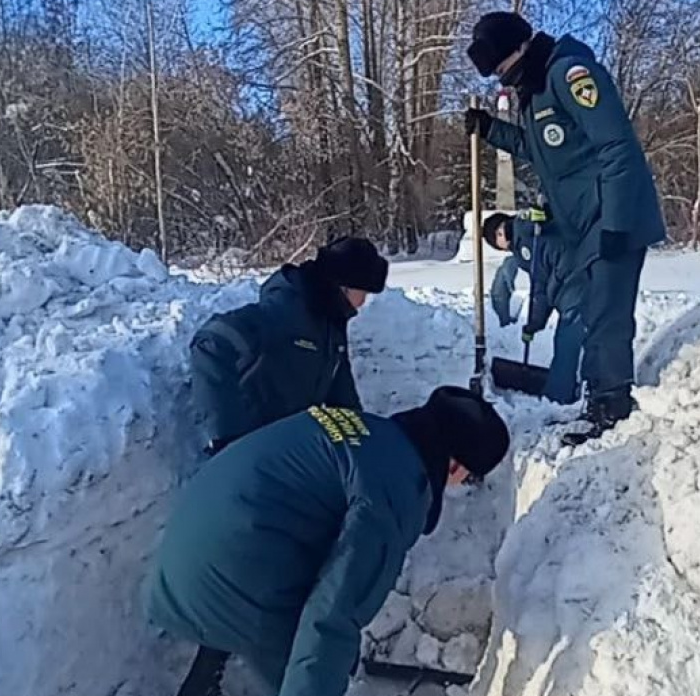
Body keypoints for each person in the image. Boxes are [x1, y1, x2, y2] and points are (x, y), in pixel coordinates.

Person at [146, 386, 511, 696]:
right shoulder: (396, 490)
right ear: (455, 466)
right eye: (467, 479)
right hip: (228, 583)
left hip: (179, 562)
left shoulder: (369, 432)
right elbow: (334, 612)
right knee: (307, 664)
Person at [464, 12, 666, 445]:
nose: (503, 79)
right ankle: (598, 399)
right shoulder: (533, 91)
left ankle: (612, 404)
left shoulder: (570, 74)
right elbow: (541, 152)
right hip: (581, 224)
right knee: (592, 312)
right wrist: (491, 131)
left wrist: (616, 223)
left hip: (613, 216)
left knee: (608, 313)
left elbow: (618, 147)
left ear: (519, 49)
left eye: (502, 68)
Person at [189, 237, 387, 455]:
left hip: (285, 453)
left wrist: (363, 445)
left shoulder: (331, 328)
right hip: (250, 455)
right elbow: (211, 343)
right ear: (344, 287)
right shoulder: (285, 313)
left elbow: (342, 399)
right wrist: (229, 439)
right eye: (364, 292)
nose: (363, 302)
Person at [485, 207, 587, 404]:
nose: (502, 249)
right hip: (581, 277)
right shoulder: (527, 236)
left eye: (496, 244)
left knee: (567, 339)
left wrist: (533, 324)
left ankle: (558, 397)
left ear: (499, 232)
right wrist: (534, 324)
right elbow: (541, 284)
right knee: (590, 338)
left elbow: (540, 290)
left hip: (575, 283)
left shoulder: (526, 233)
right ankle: (589, 387)